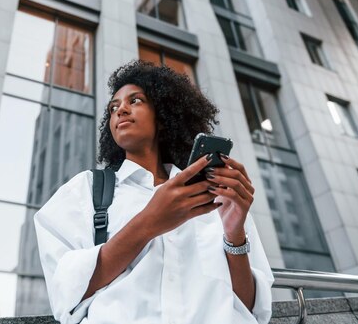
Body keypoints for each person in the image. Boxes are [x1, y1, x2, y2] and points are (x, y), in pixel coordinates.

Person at [34, 60, 273, 324]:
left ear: (162, 116)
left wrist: (235, 234)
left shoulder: (216, 197)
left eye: (135, 101)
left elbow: (252, 309)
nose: (121, 109)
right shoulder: (85, 191)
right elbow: (66, 294)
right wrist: (148, 222)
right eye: (113, 107)